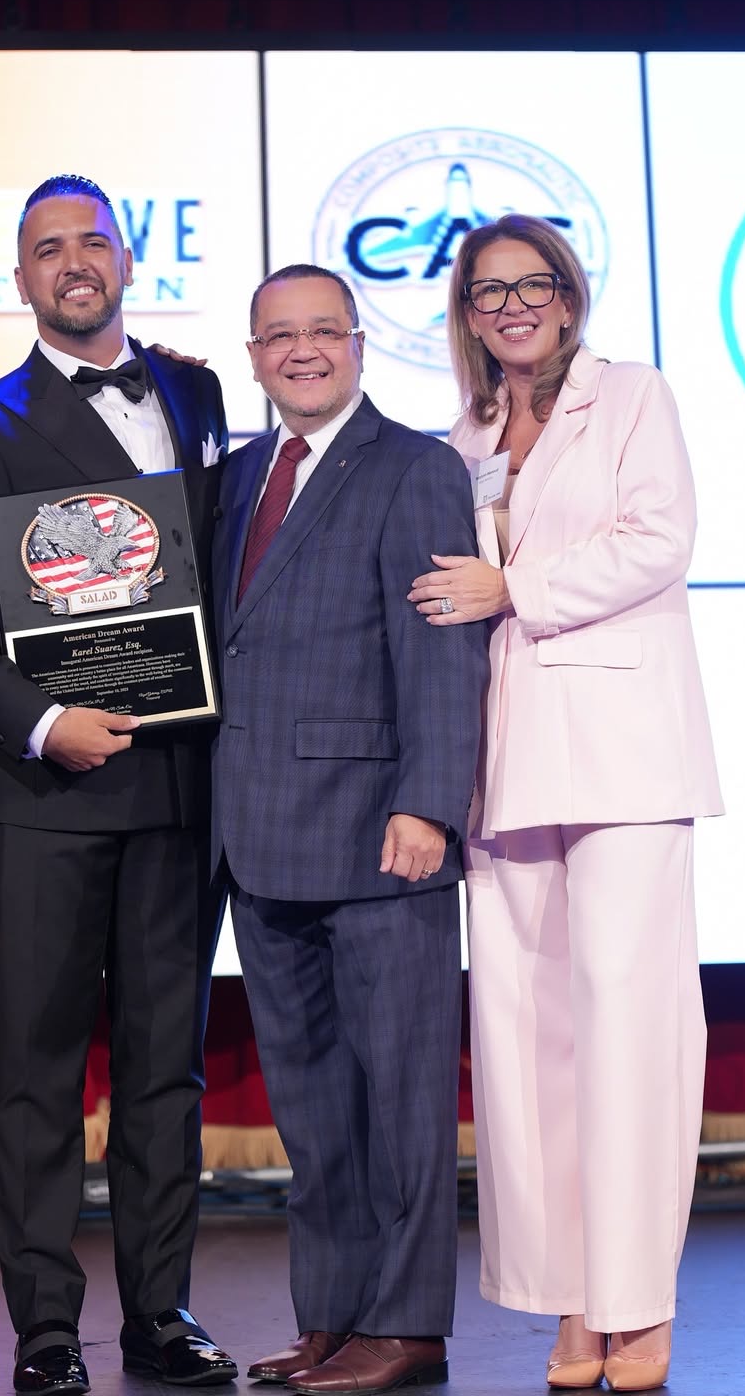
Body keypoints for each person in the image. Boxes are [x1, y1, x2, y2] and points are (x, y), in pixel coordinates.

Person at [0, 174, 234, 1396]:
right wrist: (42, 722)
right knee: (40, 1067)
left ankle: (163, 1316)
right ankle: (47, 1332)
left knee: (167, 1069)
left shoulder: (196, 391)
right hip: (44, 797)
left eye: (93, 240)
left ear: (129, 259)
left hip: (184, 787)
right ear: (23, 276)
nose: (73, 262)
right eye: (48, 248)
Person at [409, 214, 723, 1392]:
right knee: (529, 1042)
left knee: (632, 1030)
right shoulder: (466, 433)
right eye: (489, 293)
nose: (513, 307)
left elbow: (662, 540)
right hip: (513, 758)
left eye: (532, 284)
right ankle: (571, 1302)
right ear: (467, 316)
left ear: (569, 293)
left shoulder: (633, 395)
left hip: (628, 752)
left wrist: (514, 586)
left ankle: (639, 1303)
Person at [212, 264, 487, 1394]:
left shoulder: (414, 468)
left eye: (324, 330)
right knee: (317, 1112)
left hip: (381, 839)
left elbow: (441, 652)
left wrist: (429, 803)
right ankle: (331, 1316)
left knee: (404, 1103)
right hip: (260, 841)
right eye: (280, 336)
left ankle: (407, 1328)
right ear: (255, 354)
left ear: (361, 345)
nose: (303, 351)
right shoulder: (234, 479)